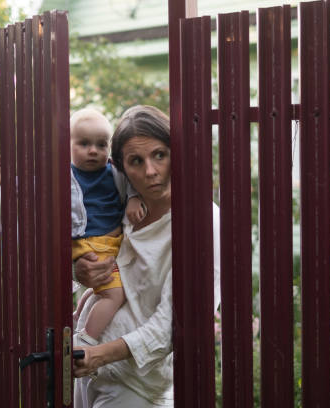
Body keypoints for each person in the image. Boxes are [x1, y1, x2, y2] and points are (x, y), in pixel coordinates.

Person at [73, 105, 221, 407]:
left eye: (159, 155)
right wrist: (78, 269)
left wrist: (99, 353)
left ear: (175, 153)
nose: (150, 172)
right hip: (86, 370)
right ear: (121, 167)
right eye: (136, 161)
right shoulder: (120, 209)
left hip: (134, 386)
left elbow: (175, 324)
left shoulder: (202, 222)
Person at [70, 108, 146, 346]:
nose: (93, 151)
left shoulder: (114, 171)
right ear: (68, 145)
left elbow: (130, 185)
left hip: (108, 243)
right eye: (84, 144)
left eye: (101, 145)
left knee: (100, 287)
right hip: (88, 243)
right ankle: (87, 339)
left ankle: (76, 317)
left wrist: (133, 198)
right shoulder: (65, 176)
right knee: (115, 294)